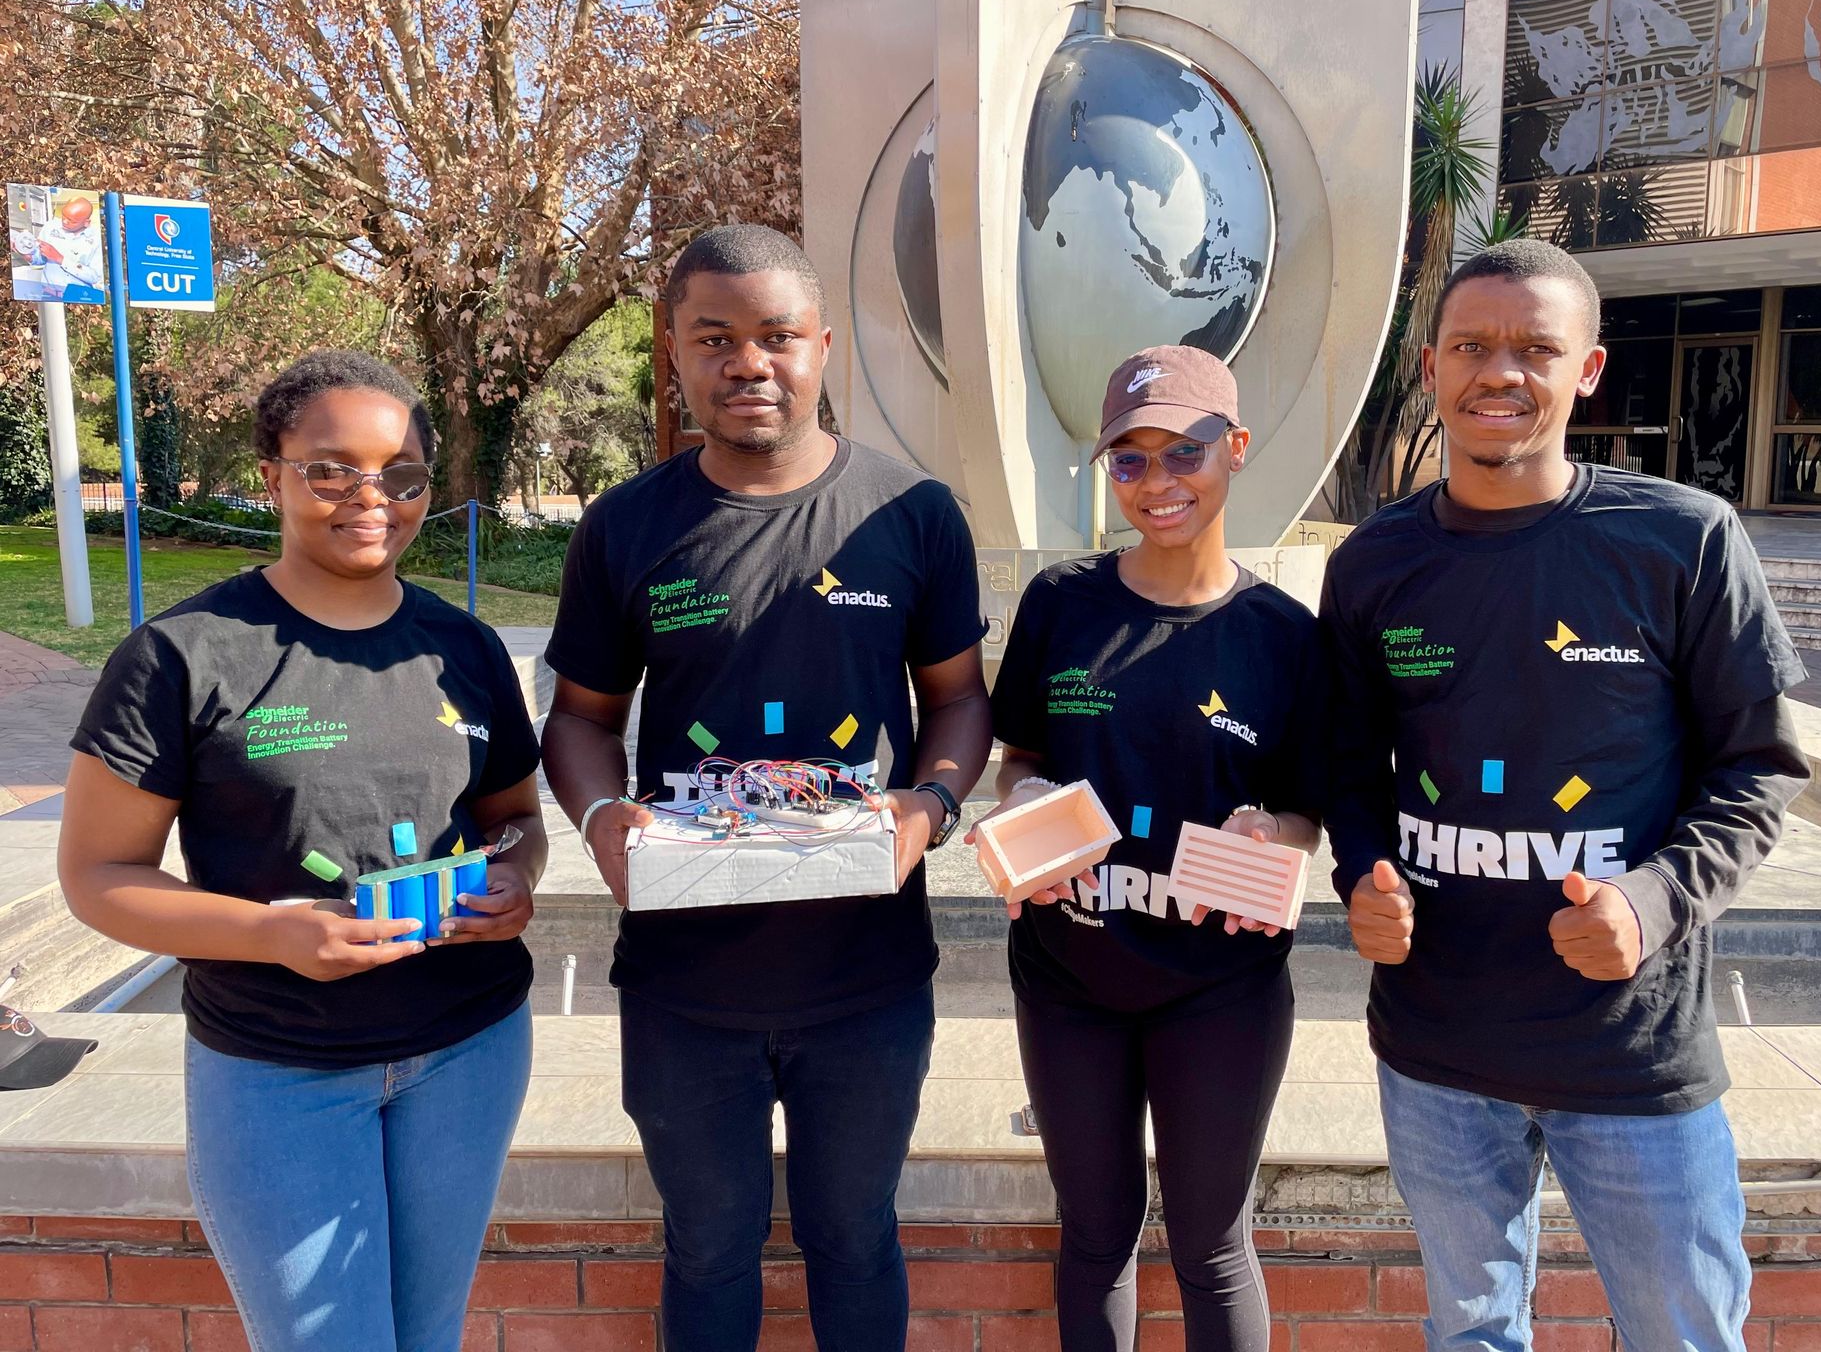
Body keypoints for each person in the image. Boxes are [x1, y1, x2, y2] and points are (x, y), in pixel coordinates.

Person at [1321, 239, 1810, 1352]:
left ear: (1587, 370)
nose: (1500, 371)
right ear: (1432, 367)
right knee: (1472, 1336)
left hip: (1630, 1051)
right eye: (1471, 346)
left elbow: (1759, 771)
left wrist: (1651, 899)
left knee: (1684, 1336)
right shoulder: (1373, 564)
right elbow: (1345, 767)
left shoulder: (1681, 539)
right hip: (1436, 1052)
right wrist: (1361, 874)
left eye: (1535, 349)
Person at [540, 224, 992, 1352]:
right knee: (707, 1249)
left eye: (778, 336)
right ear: (674, 354)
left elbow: (958, 700)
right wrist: (600, 818)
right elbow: (581, 719)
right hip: (686, 985)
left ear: (823, 346)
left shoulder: (911, 513)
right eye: (715, 338)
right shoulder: (625, 527)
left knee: (856, 1239)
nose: (750, 363)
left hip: (867, 978)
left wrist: (930, 805)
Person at [59, 350, 546, 1352]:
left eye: (402, 476)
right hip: (279, 1068)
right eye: (332, 470)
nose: (372, 498)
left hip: (469, 1050)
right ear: (272, 474)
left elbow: (516, 818)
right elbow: (98, 878)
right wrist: (272, 934)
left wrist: (515, 879)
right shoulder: (182, 655)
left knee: (430, 1337)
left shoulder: (465, 647)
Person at [973, 346, 1324, 1352]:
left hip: (1222, 989)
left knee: (1212, 1245)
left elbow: (1309, 812)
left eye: (1184, 452)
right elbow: (1019, 756)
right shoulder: (1061, 603)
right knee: (1095, 1236)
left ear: (1236, 448)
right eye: (1129, 460)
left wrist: (1275, 833)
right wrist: (1024, 798)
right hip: (1068, 976)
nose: (1157, 481)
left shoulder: (1283, 635)